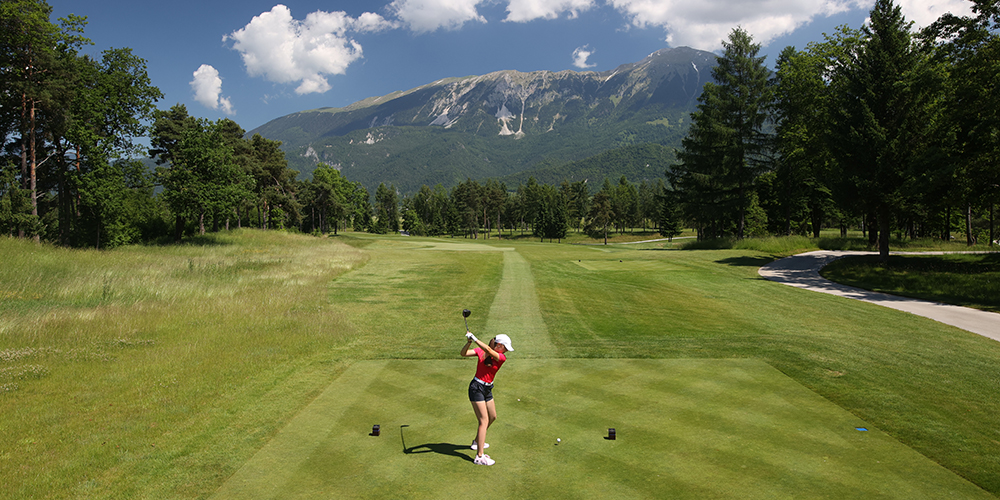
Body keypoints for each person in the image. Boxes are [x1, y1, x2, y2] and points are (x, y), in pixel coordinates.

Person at [460, 331, 514, 466]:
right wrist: (469, 342)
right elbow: (463, 354)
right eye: (506, 347)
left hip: (487, 389)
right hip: (476, 388)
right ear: (499, 345)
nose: (507, 351)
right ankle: (479, 456)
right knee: (483, 420)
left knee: (492, 416)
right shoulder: (481, 351)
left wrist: (475, 338)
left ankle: (476, 441)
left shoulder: (501, 357)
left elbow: (489, 350)